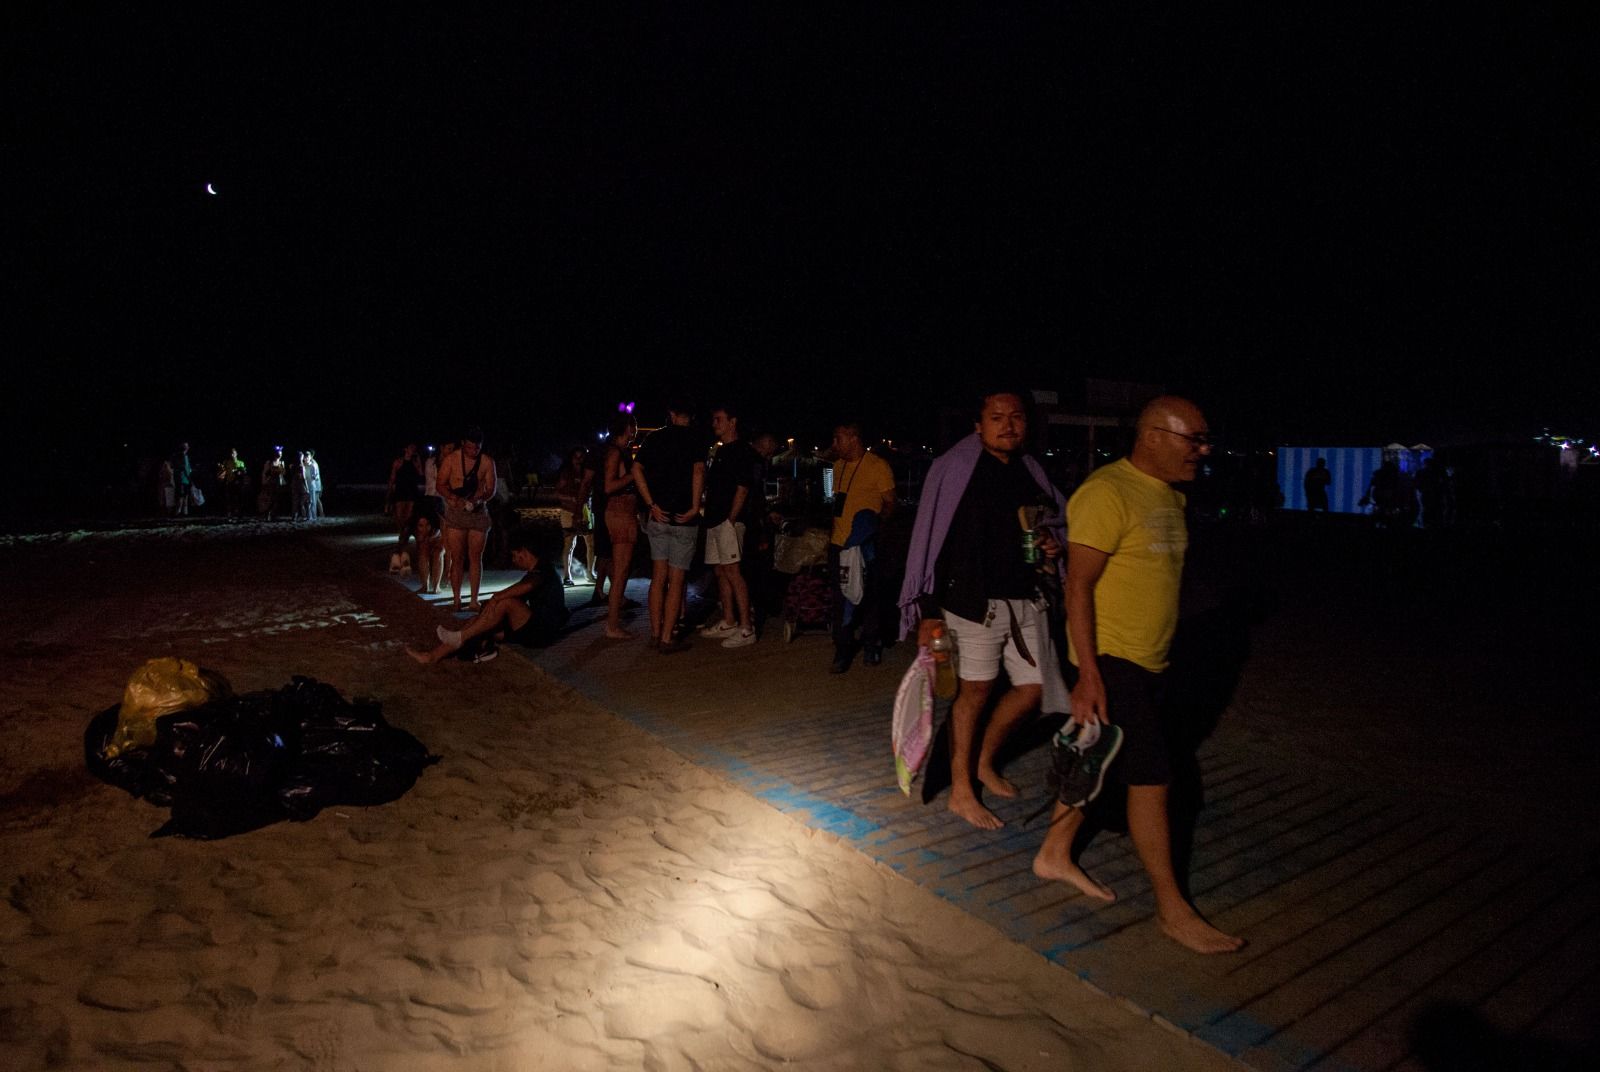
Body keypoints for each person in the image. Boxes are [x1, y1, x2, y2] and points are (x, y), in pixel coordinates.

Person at [1031, 395, 1244, 955]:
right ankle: (1172, 910)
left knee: (1095, 759)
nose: (1202, 450)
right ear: (1151, 435)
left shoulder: (1171, 496)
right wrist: (1089, 675)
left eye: (1204, 440)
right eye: (1191, 439)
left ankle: (1053, 853)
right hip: (1111, 659)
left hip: (1151, 660)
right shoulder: (1107, 492)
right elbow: (1077, 586)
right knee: (1155, 779)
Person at [898, 389, 1069, 829]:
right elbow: (930, 541)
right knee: (974, 692)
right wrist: (929, 611)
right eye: (996, 417)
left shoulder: (1031, 470)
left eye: (1016, 417)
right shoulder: (954, 471)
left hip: (1025, 600)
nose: (1008, 424)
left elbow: (1051, 521)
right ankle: (961, 790)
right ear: (978, 425)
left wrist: (1052, 542)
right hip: (970, 605)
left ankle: (984, 761)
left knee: (1032, 690)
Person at [407, 529, 569, 664]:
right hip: (534, 628)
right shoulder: (538, 570)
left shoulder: (542, 570)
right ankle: (433, 656)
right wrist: (490, 607)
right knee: (475, 623)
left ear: (524, 553)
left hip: (543, 632)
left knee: (505, 603)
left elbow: (525, 587)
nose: (514, 561)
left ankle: (461, 638)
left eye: (514, 556)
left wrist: (496, 598)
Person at [633, 399, 705, 653]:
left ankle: (654, 633)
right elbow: (698, 472)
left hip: (659, 515)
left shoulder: (654, 439)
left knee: (658, 576)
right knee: (676, 580)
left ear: (671, 414)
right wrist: (695, 506)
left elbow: (636, 469)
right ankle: (667, 637)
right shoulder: (696, 439)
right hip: (684, 518)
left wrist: (650, 502)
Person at [827, 419, 896, 673]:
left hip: (866, 545)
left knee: (871, 597)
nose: (834, 444)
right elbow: (835, 505)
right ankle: (842, 648)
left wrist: (875, 525)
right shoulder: (837, 467)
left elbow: (890, 503)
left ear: (853, 438)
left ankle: (871, 644)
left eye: (838, 438)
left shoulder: (878, 466)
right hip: (838, 545)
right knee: (840, 598)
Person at [697, 403, 762, 648]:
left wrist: (731, 519)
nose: (715, 424)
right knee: (720, 570)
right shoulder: (721, 450)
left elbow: (743, 487)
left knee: (733, 571)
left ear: (732, 422)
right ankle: (729, 619)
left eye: (718, 419)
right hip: (715, 519)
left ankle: (747, 628)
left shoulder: (742, 451)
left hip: (728, 522)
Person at [438, 428, 496, 611]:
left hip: (478, 513)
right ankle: (456, 599)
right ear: (463, 444)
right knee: (457, 557)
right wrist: (452, 498)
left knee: (475, 557)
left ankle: (474, 599)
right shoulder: (451, 459)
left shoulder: (487, 462)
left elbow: (491, 489)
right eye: (470, 447)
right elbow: (440, 484)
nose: (473, 451)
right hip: (456, 513)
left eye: (477, 448)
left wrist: (479, 499)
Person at [600, 415, 640, 638]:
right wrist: (633, 475)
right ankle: (613, 625)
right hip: (620, 513)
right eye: (633, 426)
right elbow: (608, 486)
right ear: (626, 428)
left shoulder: (618, 451)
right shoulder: (615, 452)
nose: (635, 430)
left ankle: (612, 622)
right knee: (621, 570)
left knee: (622, 570)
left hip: (622, 513)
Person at [553, 447, 592, 587]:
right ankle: (567, 576)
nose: (579, 460)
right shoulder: (566, 474)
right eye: (576, 457)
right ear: (571, 458)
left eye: (581, 457)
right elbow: (557, 492)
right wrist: (570, 499)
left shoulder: (587, 473)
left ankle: (590, 573)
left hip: (585, 511)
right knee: (569, 544)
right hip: (568, 511)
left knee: (591, 542)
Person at [581, 435, 611, 607]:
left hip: (601, 507)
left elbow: (586, 482)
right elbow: (586, 482)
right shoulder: (605, 452)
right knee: (607, 552)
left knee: (606, 552)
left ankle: (601, 590)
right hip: (606, 507)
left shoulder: (598, 451)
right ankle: (604, 591)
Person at [388, 444, 423, 552]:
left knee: (408, 517)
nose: (413, 449)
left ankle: (402, 539)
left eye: (414, 448)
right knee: (399, 517)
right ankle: (402, 535)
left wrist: (419, 461)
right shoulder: (398, 462)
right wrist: (389, 492)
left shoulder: (414, 462)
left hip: (411, 492)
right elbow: (392, 477)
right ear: (405, 449)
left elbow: (421, 474)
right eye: (410, 447)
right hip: (400, 492)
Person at [408, 503, 445, 594]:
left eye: (427, 525)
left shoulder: (440, 523)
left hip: (440, 537)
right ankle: (425, 586)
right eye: (421, 525)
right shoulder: (413, 527)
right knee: (423, 554)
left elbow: (448, 547)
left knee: (438, 554)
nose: (424, 528)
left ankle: (436, 586)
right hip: (425, 539)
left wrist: (448, 570)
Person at [217, 448, 247, 520]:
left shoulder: (241, 462)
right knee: (230, 500)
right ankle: (230, 515)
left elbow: (244, 472)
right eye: (231, 453)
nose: (232, 455)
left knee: (239, 500)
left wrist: (240, 472)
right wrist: (220, 467)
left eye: (234, 453)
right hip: (229, 483)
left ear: (236, 454)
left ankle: (239, 515)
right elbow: (222, 470)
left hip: (238, 484)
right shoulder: (227, 462)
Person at [259, 446, 287, 520]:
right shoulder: (269, 462)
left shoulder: (281, 462)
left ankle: (272, 514)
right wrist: (264, 481)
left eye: (281, 453)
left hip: (279, 483)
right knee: (270, 499)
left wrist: (282, 470)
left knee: (276, 499)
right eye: (279, 453)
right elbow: (265, 473)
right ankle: (267, 514)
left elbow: (284, 473)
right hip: (270, 483)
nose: (280, 455)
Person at [171, 442, 193, 517]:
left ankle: (185, 512)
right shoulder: (179, 456)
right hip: (182, 478)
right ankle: (178, 512)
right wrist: (187, 476)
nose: (188, 447)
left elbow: (188, 467)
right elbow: (181, 467)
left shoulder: (187, 456)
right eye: (186, 445)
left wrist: (189, 476)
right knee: (181, 496)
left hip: (186, 479)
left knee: (186, 496)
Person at [304, 449, 323, 519]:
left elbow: (316, 476)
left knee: (313, 501)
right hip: (308, 485)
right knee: (311, 501)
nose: (306, 458)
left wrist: (318, 485)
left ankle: (315, 516)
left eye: (308, 456)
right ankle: (311, 515)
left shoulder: (313, 464)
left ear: (311, 456)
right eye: (305, 456)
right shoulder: (305, 464)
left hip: (313, 485)